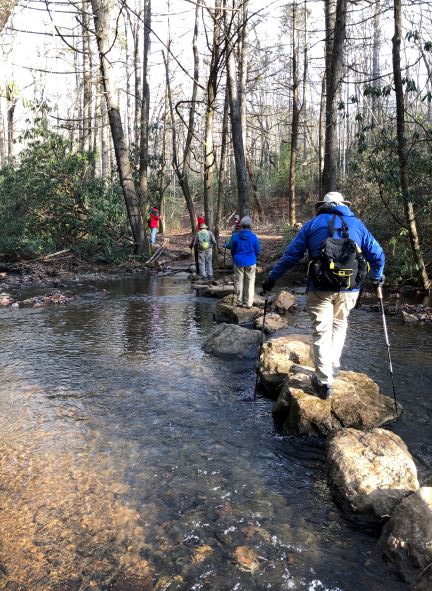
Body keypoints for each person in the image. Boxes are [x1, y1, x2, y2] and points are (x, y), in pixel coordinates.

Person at [262, 191, 385, 400]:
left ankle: (324, 381)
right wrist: (377, 276)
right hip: (349, 288)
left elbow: (291, 255)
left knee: (321, 331)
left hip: (319, 287)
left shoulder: (312, 225)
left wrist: (272, 278)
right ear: (343, 204)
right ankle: (333, 365)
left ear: (323, 206)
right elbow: (377, 254)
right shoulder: (357, 225)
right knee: (340, 323)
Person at [230, 216, 261, 308]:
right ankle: (248, 303)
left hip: (238, 261)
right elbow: (257, 250)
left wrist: (235, 257)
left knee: (239, 281)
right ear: (250, 225)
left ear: (241, 225)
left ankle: (239, 301)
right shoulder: (253, 237)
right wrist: (253, 257)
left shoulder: (236, 237)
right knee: (250, 282)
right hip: (251, 261)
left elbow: (232, 250)